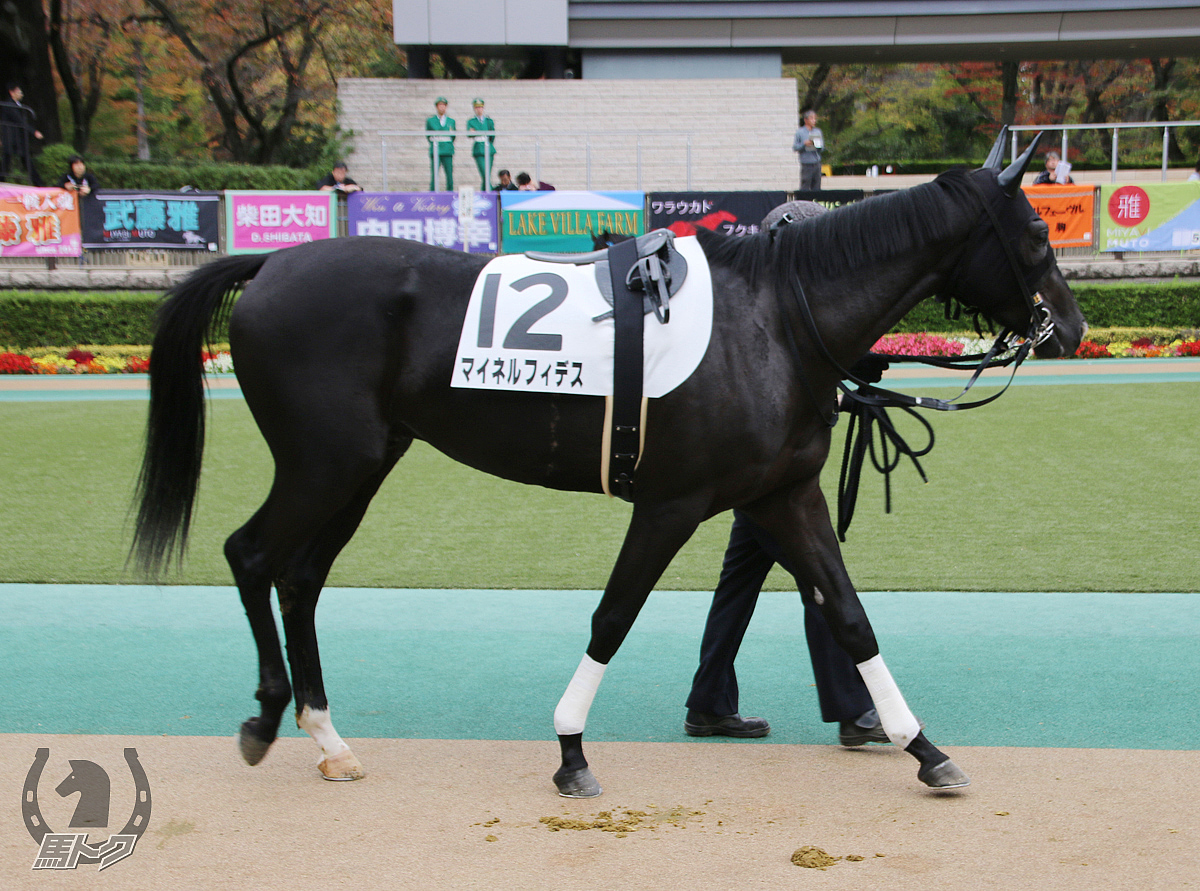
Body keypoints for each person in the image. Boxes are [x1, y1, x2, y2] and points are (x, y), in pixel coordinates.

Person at [684, 197, 887, 748]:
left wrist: (849, 373)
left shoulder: (768, 293)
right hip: (765, 469)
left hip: (763, 468)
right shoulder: (767, 298)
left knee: (739, 583)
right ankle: (852, 710)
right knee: (818, 576)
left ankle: (708, 701)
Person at [1, 82, 45, 186]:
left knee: (24, 161)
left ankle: (39, 184)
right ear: (12, 92)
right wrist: (33, 131)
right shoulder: (9, 105)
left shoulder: (17, 105)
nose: (21, 93)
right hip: (11, 137)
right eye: (18, 91)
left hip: (17, 138)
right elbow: (20, 121)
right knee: (7, 161)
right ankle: (39, 184)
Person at [466, 98, 496, 190]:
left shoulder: (488, 121)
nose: (479, 109)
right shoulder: (471, 121)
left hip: (488, 147)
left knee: (487, 175)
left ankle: (485, 192)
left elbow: (492, 134)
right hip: (478, 148)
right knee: (485, 174)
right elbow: (469, 133)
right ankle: (490, 192)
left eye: (480, 107)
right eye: (477, 107)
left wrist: (477, 131)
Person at [425, 96, 455, 190]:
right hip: (436, 149)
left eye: (443, 106)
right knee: (434, 174)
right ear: (437, 107)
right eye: (440, 105)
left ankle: (450, 193)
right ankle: (433, 193)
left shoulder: (451, 121)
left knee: (449, 174)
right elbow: (428, 135)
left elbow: (453, 136)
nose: (442, 108)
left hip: (447, 150)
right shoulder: (430, 120)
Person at [792, 109, 824, 192]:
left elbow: (822, 148)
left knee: (817, 185)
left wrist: (817, 145)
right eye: (812, 118)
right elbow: (795, 147)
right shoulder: (800, 132)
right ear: (806, 120)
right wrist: (804, 144)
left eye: (815, 118)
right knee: (805, 185)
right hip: (806, 163)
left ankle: (816, 202)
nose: (814, 121)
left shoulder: (818, 131)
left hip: (816, 162)